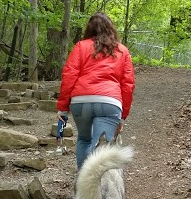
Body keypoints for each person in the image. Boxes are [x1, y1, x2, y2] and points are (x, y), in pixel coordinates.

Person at [57, 13, 136, 169]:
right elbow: (128, 85)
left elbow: (69, 76)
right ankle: (100, 189)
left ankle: (82, 186)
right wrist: (123, 116)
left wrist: (63, 108)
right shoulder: (122, 51)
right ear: (111, 28)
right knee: (100, 148)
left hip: (81, 101)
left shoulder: (81, 46)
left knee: (84, 140)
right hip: (109, 102)